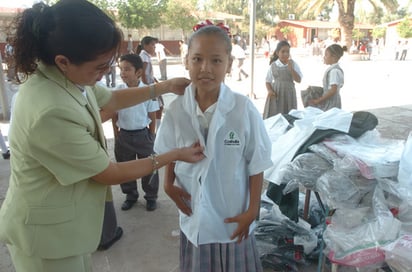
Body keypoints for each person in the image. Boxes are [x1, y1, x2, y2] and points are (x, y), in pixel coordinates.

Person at [0, 1, 204, 271]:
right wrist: (173, 155)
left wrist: (162, 87)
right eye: (99, 66)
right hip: (45, 238)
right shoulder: (50, 111)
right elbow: (108, 173)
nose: (107, 72)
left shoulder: (63, 76)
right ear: (63, 60)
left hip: (68, 228)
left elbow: (109, 98)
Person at [154, 23, 273, 272]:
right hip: (193, 214)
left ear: (229, 64)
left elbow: (257, 162)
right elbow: (168, 152)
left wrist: (252, 210)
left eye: (216, 61)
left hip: (233, 216)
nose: (205, 69)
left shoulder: (242, 109)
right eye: (197, 59)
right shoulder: (176, 109)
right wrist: (168, 184)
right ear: (186, 61)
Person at [112, 54, 160, 211]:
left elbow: (152, 115)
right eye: (121, 69)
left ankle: (151, 197)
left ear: (138, 72)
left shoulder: (146, 91)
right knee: (125, 168)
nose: (123, 73)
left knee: (149, 166)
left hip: (143, 135)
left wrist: (151, 135)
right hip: (124, 135)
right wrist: (116, 133)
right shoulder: (118, 91)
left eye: (127, 69)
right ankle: (130, 195)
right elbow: (114, 114)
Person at [263, 40, 302, 119]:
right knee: (276, 114)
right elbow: (268, 81)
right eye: (283, 51)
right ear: (277, 53)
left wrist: (291, 69)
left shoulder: (293, 64)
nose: (286, 54)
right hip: (277, 93)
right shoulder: (273, 65)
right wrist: (270, 91)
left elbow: (299, 80)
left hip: (289, 93)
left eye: (287, 52)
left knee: (289, 114)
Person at [137, 36, 164, 131]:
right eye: (152, 45)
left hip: (151, 84)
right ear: (145, 45)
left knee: (159, 106)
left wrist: (154, 80)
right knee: (157, 107)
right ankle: (156, 129)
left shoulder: (146, 55)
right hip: (149, 86)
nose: (154, 47)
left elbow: (148, 72)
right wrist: (146, 86)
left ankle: (157, 127)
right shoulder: (144, 56)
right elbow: (143, 73)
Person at [309, 44, 345, 111]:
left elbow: (333, 90)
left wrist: (319, 100)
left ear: (333, 57)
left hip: (331, 102)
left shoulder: (334, 71)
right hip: (331, 101)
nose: (324, 57)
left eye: (326, 55)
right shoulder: (334, 69)